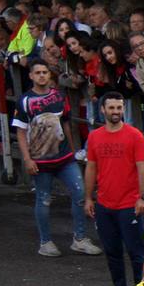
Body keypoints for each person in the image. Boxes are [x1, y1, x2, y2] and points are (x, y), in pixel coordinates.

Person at [14, 60, 101, 258]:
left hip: (64, 157)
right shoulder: (25, 101)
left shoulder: (60, 97)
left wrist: (72, 150)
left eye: (45, 72)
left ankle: (80, 238)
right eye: (38, 72)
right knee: (43, 199)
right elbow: (20, 131)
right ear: (31, 76)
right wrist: (27, 159)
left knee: (80, 193)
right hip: (40, 160)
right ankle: (45, 241)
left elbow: (66, 125)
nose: (42, 76)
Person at [84, 92, 144, 286]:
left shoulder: (134, 136)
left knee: (136, 252)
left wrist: (142, 197)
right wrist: (88, 198)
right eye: (111, 108)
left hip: (129, 204)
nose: (115, 112)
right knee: (112, 252)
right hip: (105, 204)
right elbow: (91, 167)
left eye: (119, 108)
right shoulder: (94, 137)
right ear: (102, 109)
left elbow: (142, 168)